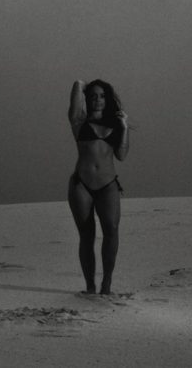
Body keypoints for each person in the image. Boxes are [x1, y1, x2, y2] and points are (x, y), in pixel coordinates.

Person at [67, 79, 130, 295]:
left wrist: (123, 127)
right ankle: (90, 286)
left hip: (108, 184)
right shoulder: (79, 122)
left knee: (111, 231)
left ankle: (107, 284)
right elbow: (76, 92)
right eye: (93, 95)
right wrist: (81, 84)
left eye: (102, 96)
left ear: (108, 99)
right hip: (81, 184)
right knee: (87, 235)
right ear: (87, 98)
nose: (98, 100)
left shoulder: (115, 124)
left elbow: (121, 155)